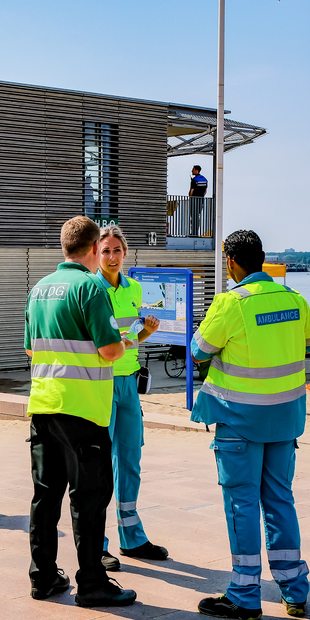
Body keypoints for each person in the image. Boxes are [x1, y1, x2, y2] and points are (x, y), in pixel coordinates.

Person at [190, 229, 310, 620]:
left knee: (242, 504)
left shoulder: (231, 303)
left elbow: (198, 349)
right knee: (280, 501)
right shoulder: (293, 299)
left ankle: (245, 593)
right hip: (285, 420)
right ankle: (295, 591)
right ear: (262, 258)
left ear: (231, 262)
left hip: (240, 422)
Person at [25, 215, 136, 608]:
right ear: (93, 249)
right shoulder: (91, 287)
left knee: (45, 495)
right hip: (83, 411)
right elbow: (108, 351)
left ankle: (43, 577)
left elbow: (30, 349)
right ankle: (92, 582)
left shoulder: (39, 289)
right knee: (89, 498)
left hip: (43, 405)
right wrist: (127, 342)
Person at [94, 225, 166, 570]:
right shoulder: (90, 288)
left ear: (125, 253)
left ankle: (132, 538)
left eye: (116, 250)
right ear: (96, 252)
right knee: (99, 467)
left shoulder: (135, 288)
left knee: (130, 461)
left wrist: (145, 332)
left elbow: (129, 336)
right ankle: (98, 544)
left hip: (127, 385)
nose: (111, 257)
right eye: (105, 251)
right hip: (100, 382)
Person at [188, 165, 208, 237]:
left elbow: (192, 191)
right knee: (197, 216)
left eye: (193, 169)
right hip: (200, 200)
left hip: (194, 200)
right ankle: (196, 232)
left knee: (193, 216)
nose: (192, 171)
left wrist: (190, 197)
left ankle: (193, 232)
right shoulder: (204, 179)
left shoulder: (194, 180)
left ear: (196, 170)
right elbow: (205, 191)